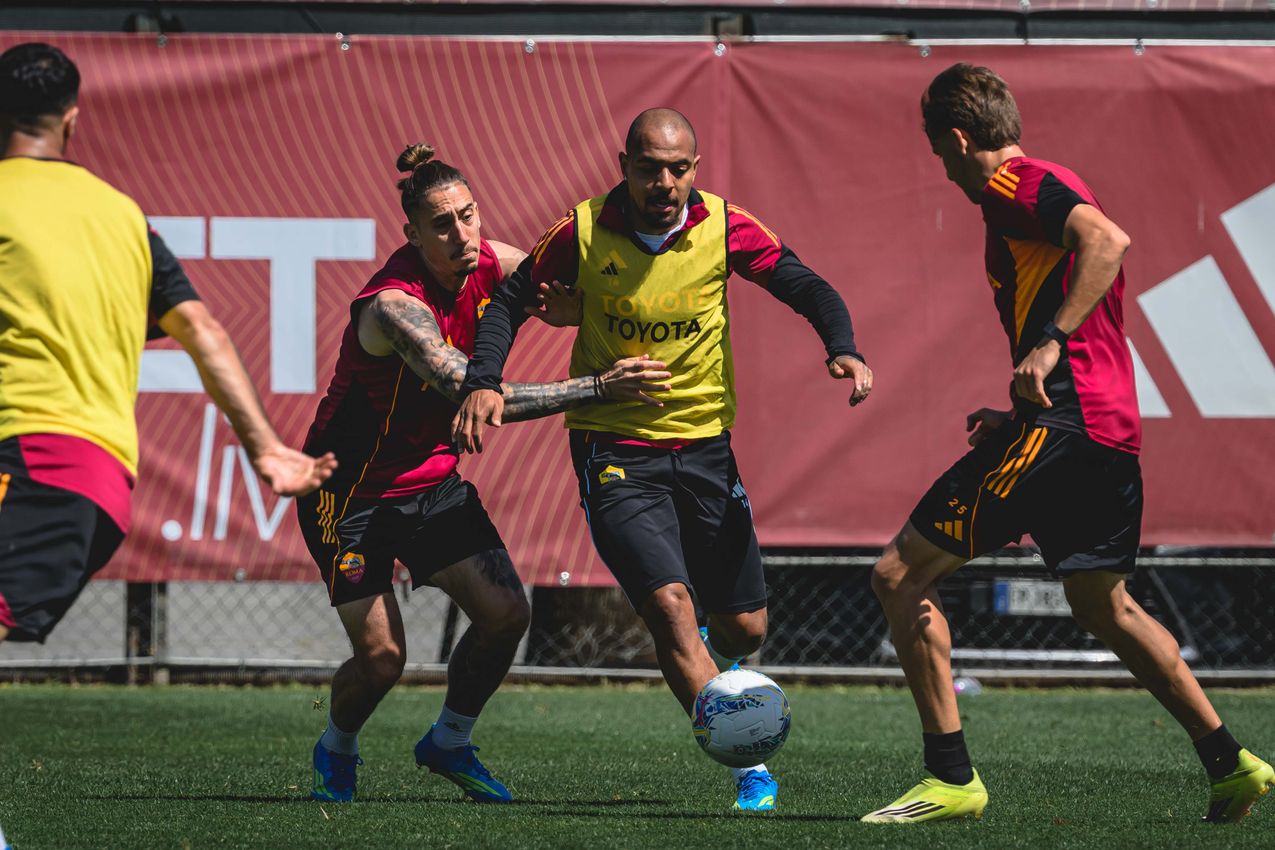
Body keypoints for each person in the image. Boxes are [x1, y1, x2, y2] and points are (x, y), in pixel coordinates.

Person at [861, 63, 1274, 825]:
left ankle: (949, 777)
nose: (940, 168)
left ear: (957, 139)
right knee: (1103, 605)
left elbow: (1107, 241)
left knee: (898, 576)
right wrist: (1016, 408)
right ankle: (1230, 764)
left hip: (1067, 424)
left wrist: (1048, 346)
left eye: (937, 151)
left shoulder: (1012, 185)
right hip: (1101, 430)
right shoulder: (1041, 186)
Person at [452, 108, 873, 811]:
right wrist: (483, 380)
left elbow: (806, 284)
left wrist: (842, 345)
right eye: (649, 167)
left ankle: (703, 653)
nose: (664, 182)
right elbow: (507, 303)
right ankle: (747, 766)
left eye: (678, 169)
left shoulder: (725, 226)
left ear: (694, 170)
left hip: (707, 446)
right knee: (671, 610)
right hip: (614, 449)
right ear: (624, 165)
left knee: (746, 629)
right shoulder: (582, 229)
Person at [298, 142, 671, 804]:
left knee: (504, 614)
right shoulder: (393, 305)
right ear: (412, 234)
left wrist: (592, 299)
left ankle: (448, 740)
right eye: (441, 225)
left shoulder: (490, 260)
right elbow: (465, 390)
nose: (461, 234)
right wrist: (597, 387)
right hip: (347, 496)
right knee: (385, 661)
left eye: (468, 216)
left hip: (431, 487)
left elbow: (582, 289)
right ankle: (337, 746)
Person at [0, 42, 336, 645]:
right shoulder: (123, 217)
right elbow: (205, 332)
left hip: (25, 458)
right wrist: (265, 449)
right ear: (72, 118)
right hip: (96, 484)